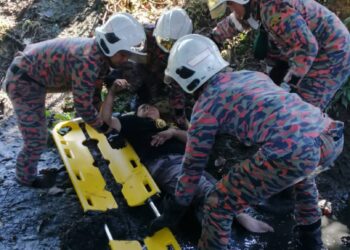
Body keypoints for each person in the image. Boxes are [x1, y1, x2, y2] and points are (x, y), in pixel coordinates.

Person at [149, 34, 344, 250]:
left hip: (294, 150)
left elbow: (192, 167)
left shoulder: (205, 108)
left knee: (217, 204)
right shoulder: (252, 76)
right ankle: (311, 243)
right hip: (330, 134)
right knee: (302, 177)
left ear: (185, 79)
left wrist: (176, 207)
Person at [100, 82, 274, 234]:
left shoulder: (171, 126)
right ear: (136, 113)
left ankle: (209, 215)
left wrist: (173, 132)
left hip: (191, 162)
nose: (147, 108)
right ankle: (238, 215)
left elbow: (194, 138)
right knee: (199, 188)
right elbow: (105, 121)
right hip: (164, 164)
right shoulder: (133, 124)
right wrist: (112, 93)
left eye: (150, 106)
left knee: (217, 186)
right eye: (142, 107)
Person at [0, 13, 146, 188]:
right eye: (123, 54)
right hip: (23, 81)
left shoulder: (98, 54)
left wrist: (103, 117)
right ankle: (25, 178)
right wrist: (105, 129)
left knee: (38, 131)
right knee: (36, 137)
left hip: (35, 77)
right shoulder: (88, 62)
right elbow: (83, 106)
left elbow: (92, 92)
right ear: (110, 47)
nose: (125, 60)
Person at [207, 0, 350, 111]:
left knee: (302, 106)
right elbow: (235, 21)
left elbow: (307, 48)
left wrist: (288, 84)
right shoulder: (257, 6)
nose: (231, 10)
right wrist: (212, 39)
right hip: (311, 47)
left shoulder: (274, 10)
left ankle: (305, 143)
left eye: (230, 5)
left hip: (332, 53)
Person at [105, 7, 193, 129]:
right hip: (142, 68)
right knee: (122, 77)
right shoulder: (145, 32)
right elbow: (118, 46)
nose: (166, 46)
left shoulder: (185, 53)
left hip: (163, 76)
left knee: (162, 99)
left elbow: (177, 87)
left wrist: (180, 118)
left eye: (172, 44)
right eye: (164, 41)